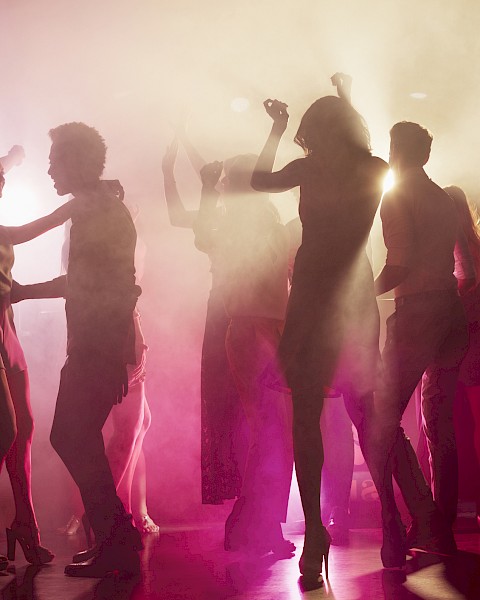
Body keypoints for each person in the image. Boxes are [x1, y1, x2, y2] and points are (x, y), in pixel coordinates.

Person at [251, 74, 388, 585]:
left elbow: (258, 178)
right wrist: (349, 103)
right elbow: (363, 147)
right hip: (341, 297)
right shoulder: (373, 167)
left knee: (314, 417)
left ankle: (319, 537)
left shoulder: (310, 167)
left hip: (319, 296)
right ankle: (350, 529)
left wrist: (275, 130)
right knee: (359, 412)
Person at [12, 123, 142, 578]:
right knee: (73, 436)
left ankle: (117, 537)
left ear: (75, 162)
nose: (49, 168)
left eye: (55, 160)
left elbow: (92, 284)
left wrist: (22, 292)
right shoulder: (94, 206)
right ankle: (114, 537)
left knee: (69, 435)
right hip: (95, 344)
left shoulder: (97, 209)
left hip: (96, 345)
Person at [373, 122, 470, 569]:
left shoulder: (397, 195)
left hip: (419, 310)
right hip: (450, 311)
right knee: (439, 425)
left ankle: (426, 518)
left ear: (394, 151)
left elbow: (400, 261)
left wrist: (363, 292)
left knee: (381, 415)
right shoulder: (441, 198)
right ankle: (441, 528)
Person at [194, 155, 294, 555]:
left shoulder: (265, 226)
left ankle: (254, 523)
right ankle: (252, 524)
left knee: (273, 434)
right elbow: (203, 234)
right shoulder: (236, 227)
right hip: (252, 331)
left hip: (268, 331)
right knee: (271, 432)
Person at [0, 145, 73, 569]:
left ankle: (25, 526)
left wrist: (12, 158)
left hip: (9, 333)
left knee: (24, 430)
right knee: (5, 430)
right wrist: (76, 203)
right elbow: (32, 230)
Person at [162, 138, 245, 505]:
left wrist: (178, 165)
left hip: (236, 311)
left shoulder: (234, 223)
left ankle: (248, 501)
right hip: (230, 311)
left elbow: (207, 181)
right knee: (231, 404)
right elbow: (185, 211)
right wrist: (174, 164)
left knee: (237, 405)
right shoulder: (225, 220)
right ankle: (246, 502)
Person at [416, 185, 480, 524]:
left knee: (448, 428)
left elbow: (464, 292)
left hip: (458, 348)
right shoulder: (475, 247)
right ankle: (464, 506)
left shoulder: (451, 253)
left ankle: (455, 509)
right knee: (464, 431)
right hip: (471, 348)